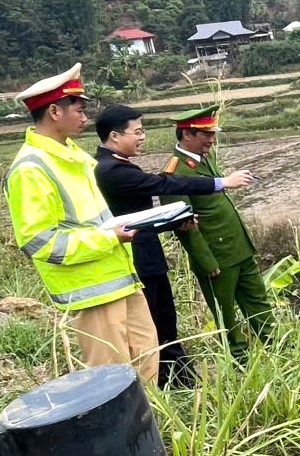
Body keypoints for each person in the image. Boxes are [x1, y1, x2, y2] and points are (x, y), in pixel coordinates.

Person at [6, 64, 158, 382]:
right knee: (112, 381)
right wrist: (109, 238)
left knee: (147, 363)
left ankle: (152, 430)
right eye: (79, 108)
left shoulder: (76, 158)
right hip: (92, 292)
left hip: (122, 278)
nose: (85, 118)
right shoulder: (30, 169)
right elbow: (39, 241)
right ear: (54, 112)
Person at [93, 104, 255, 388]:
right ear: (115, 136)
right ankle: (174, 384)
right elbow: (163, 184)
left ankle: (179, 381)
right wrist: (220, 183)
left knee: (165, 321)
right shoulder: (111, 170)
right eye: (138, 132)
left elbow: (138, 218)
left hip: (147, 256)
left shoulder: (118, 164)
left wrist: (172, 224)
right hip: (137, 259)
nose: (142, 138)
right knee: (157, 325)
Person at [161, 105, 274, 358]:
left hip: (239, 249)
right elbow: (182, 225)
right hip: (217, 258)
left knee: (259, 304)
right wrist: (206, 262)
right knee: (227, 315)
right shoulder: (174, 172)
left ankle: (278, 348)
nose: (211, 139)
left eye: (212, 133)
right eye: (205, 134)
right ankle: (240, 361)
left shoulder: (206, 157)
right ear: (187, 135)